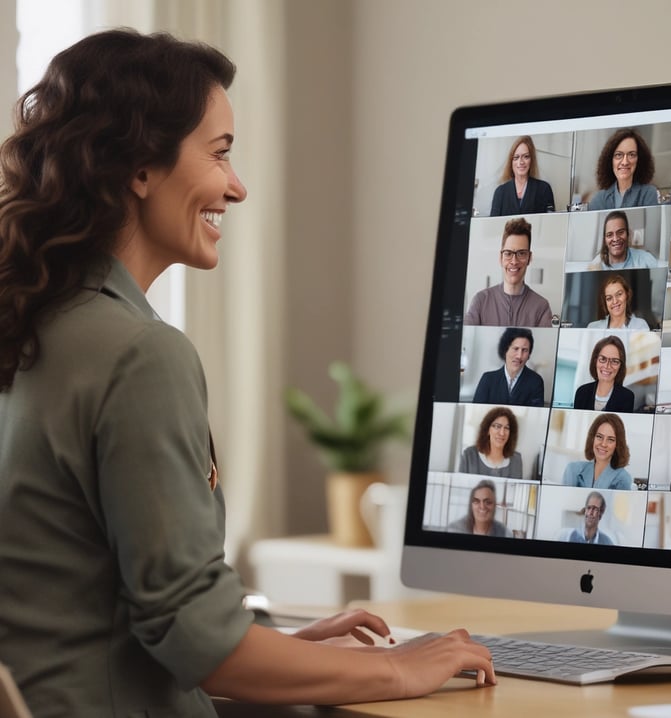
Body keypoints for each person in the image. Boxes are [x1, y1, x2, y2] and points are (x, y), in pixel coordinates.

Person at [0, 30, 495, 716]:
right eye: (220, 153)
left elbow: (99, 612)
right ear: (140, 168)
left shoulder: (33, 326)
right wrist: (399, 669)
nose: (236, 187)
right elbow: (197, 640)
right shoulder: (139, 355)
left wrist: (285, 651)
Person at [464, 217, 554, 327]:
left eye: (521, 253)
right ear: (501, 258)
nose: (514, 261)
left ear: (529, 258)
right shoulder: (480, 301)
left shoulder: (541, 307)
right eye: (508, 253)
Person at [472, 327, 545, 406]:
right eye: (516, 349)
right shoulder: (488, 379)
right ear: (505, 350)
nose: (519, 356)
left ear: (529, 354)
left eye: (525, 350)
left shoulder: (535, 381)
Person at [588, 129, 659, 210]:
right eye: (618, 155)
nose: (625, 162)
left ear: (639, 159)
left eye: (631, 155)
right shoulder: (599, 199)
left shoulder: (649, 193)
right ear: (610, 160)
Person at [561, 414, 633, 490]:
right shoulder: (572, 470)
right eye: (599, 437)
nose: (603, 444)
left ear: (617, 444)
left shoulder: (623, 478)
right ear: (592, 438)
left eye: (610, 440)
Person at [490, 135, 555, 215]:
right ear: (511, 162)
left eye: (526, 157)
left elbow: (550, 221)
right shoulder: (500, 192)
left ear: (532, 160)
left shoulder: (544, 189)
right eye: (516, 157)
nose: (521, 162)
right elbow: (494, 222)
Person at [573, 336, 635, 413]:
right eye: (603, 359)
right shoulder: (582, 392)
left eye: (614, 361)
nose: (607, 366)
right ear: (595, 361)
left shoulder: (627, 397)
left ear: (620, 366)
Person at [458, 407, 523, 479]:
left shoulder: (516, 460)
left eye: (506, 428)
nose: (502, 433)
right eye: (497, 426)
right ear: (487, 430)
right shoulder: (469, 456)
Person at [587, 210, 658, 270]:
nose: (615, 239)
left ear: (628, 234)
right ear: (605, 240)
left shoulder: (645, 258)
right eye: (610, 235)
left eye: (620, 232)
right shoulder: (595, 265)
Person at [447, 479, 513, 537]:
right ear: (471, 505)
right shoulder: (454, 529)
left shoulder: (505, 533)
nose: (482, 507)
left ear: (495, 505)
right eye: (476, 501)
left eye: (488, 502)